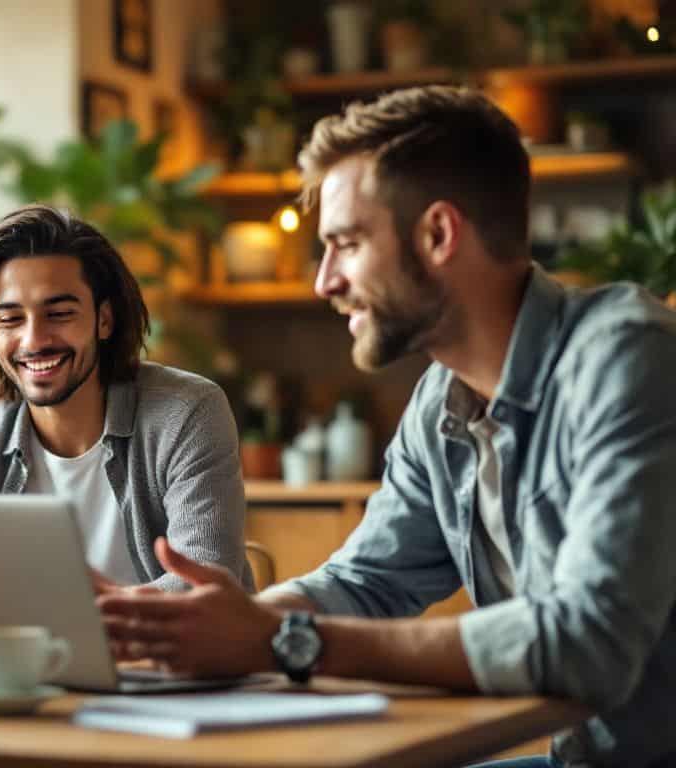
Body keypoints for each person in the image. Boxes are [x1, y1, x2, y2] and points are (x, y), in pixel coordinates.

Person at [97, 85, 676, 767]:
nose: (323, 282)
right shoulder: (442, 404)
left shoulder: (629, 358)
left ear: (437, 235)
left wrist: (278, 641)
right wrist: (197, 628)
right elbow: (365, 583)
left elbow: (587, 644)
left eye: (344, 244)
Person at [0, 204, 252, 592]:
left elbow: (205, 583)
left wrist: (73, 615)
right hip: (24, 653)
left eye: (59, 314)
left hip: (174, 653)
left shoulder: (186, 413)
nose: (33, 341)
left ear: (104, 320)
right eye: (10, 319)